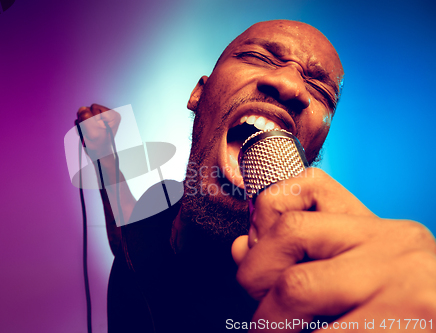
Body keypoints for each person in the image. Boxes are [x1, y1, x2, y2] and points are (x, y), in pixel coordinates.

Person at [76, 20, 436, 332]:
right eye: (260, 57)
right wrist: (106, 160)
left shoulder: (307, 294)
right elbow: (125, 242)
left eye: (321, 89)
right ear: (199, 93)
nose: (291, 86)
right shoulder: (158, 201)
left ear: (315, 146)